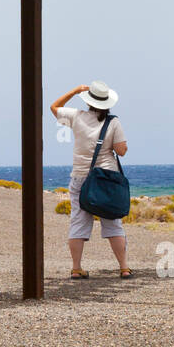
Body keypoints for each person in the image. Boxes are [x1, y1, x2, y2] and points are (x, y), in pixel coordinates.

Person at [51, 80, 131, 279]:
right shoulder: (113, 122)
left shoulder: (76, 117)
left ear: (88, 101)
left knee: (78, 222)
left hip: (80, 177)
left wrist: (75, 90)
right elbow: (121, 151)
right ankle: (124, 267)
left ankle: (76, 268)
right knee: (112, 222)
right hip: (105, 178)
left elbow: (55, 107)